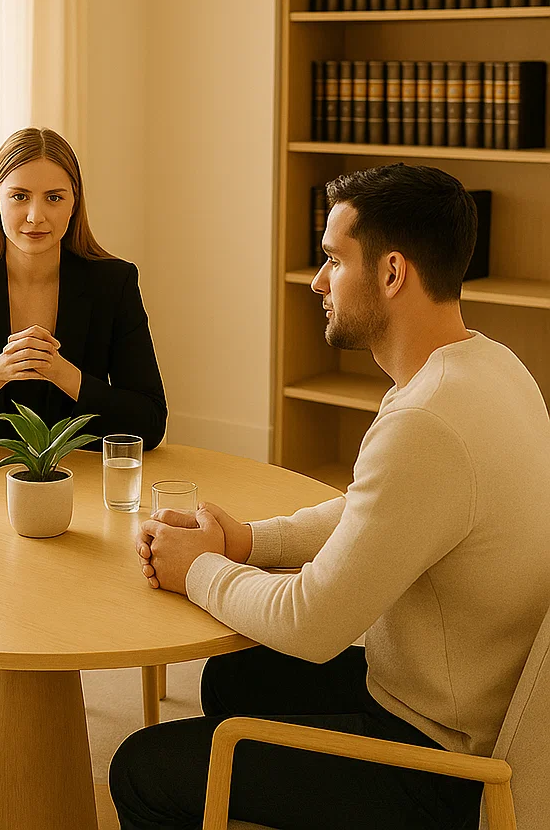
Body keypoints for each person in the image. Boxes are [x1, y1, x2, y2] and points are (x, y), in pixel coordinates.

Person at [111, 164, 550, 830]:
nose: (318, 282)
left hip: (440, 766)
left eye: (333, 260)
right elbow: (376, 509)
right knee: (234, 680)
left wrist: (197, 567)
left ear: (392, 272)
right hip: (456, 704)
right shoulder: (490, 366)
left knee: (141, 768)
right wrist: (246, 541)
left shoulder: (426, 421)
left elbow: (311, 625)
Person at [0, 126, 167, 729]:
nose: (35, 216)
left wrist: (71, 378)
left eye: (54, 197)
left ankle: (30, 718)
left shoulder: (112, 281)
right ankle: (9, 725)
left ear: (75, 204)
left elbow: (150, 420)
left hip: (78, 484)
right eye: (19, 196)